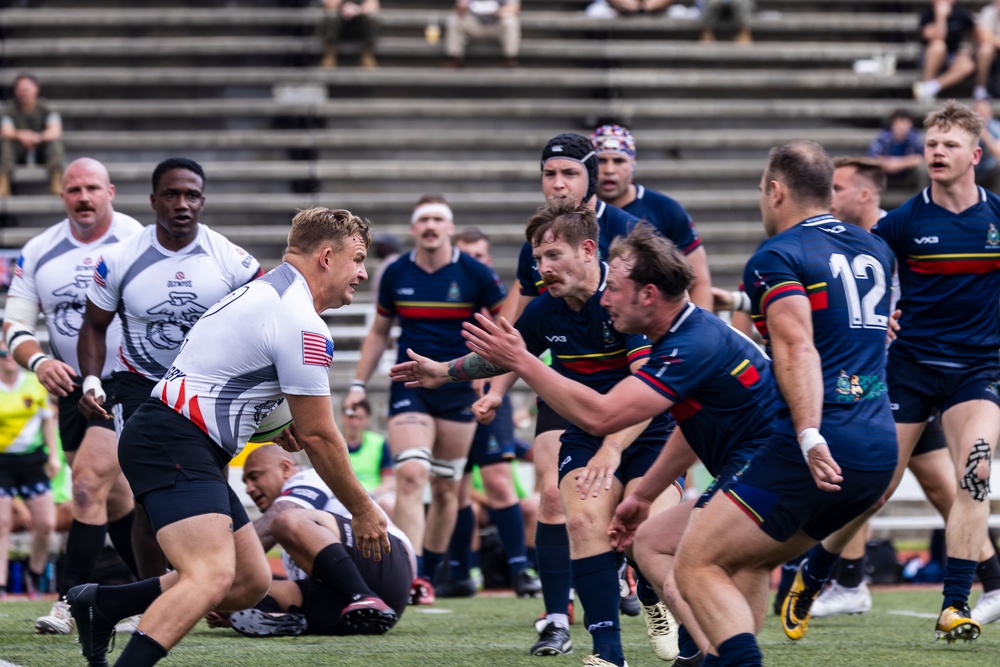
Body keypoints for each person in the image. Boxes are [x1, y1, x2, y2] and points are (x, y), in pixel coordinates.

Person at [65, 206, 391, 667]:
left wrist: (276, 428)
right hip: (174, 439)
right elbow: (319, 436)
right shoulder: (299, 320)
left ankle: (104, 603)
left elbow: (223, 382)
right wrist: (363, 509)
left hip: (174, 436)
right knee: (210, 576)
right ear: (325, 256)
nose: (361, 272)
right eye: (357, 258)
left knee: (247, 581)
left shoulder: (258, 292)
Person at [392, 202, 680, 667]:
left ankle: (652, 595)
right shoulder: (547, 310)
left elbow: (646, 394)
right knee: (583, 523)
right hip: (586, 430)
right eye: (537, 259)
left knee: (651, 540)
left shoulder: (627, 299)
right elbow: (504, 357)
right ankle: (608, 653)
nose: (541, 269)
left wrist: (612, 449)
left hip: (649, 430)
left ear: (588, 250)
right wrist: (442, 371)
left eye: (552, 256)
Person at [680, 140, 896, 664]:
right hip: (878, 443)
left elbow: (799, 345)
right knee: (746, 563)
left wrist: (809, 434)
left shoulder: (778, 254)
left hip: (821, 442)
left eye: (762, 190)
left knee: (694, 563)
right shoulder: (875, 248)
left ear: (776, 190)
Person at [76, 157, 264, 583]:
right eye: (172, 194)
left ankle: (216, 587)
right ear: (153, 200)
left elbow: (266, 326)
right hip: (139, 385)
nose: (182, 203)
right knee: (148, 498)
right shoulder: (119, 259)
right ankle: (151, 597)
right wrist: (91, 381)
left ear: (203, 201)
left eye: (192, 195)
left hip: (207, 389)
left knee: (213, 489)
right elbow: (93, 326)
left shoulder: (234, 262)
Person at [499, 132, 638, 653]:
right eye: (549, 174)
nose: (558, 184)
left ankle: (630, 573)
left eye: (569, 174)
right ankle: (557, 616)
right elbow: (524, 327)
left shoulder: (630, 233)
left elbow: (672, 304)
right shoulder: (539, 246)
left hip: (634, 398)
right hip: (567, 393)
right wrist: (490, 387)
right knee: (555, 498)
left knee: (635, 511)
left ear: (592, 176)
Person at [869, 101, 1000, 641]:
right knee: (874, 487)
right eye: (931, 144)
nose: (937, 152)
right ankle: (822, 572)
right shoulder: (900, 222)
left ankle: (954, 605)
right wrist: (881, 321)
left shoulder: (996, 217)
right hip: (912, 371)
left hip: (979, 372)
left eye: (949, 144)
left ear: (975, 154)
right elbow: (864, 285)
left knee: (976, 475)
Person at [2, 157, 144, 634]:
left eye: (92, 188)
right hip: (67, 387)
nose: (83, 197)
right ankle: (155, 590)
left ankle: (72, 602)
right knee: (117, 498)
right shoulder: (40, 250)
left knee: (85, 486)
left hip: (126, 382)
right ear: (62, 196)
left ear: (111, 191)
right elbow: (15, 323)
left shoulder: (137, 240)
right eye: (73, 190)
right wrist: (39, 362)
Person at [344, 194, 507, 606]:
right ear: (414, 228)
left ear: (450, 227)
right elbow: (380, 332)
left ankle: (429, 575)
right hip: (410, 385)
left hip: (457, 388)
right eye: (424, 220)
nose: (431, 226)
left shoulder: (475, 273)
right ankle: (410, 571)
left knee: (448, 486)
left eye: (439, 219)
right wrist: (359, 384)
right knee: (412, 475)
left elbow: (507, 328)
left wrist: (490, 382)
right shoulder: (396, 272)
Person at [213, 445, 411, 637]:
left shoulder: (312, 476)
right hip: (348, 615)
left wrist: (216, 566)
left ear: (285, 468)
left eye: (255, 477)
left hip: (384, 561)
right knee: (248, 590)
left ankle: (364, 596)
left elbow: (277, 519)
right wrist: (236, 604)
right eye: (246, 482)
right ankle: (274, 616)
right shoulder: (299, 545)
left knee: (286, 519)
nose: (249, 488)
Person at [437, 227, 540, 599]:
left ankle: (519, 570)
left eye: (480, 256)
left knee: (499, 481)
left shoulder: (501, 304)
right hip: (451, 397)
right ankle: (461, 571)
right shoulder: (449, 296)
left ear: (489, 261)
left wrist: (495, 388)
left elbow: (518, 344)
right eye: (468, 256)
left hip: (491, 392)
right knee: (455, 488)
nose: (474, 263)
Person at [590, 124, 713, 311]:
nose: (609, 170)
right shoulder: (579, 213)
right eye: (601, 161)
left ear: (633, 165)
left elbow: (699, 282)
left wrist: (701, 335)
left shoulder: (666, 209)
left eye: (618, 160)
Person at [0, 341, 60, 600]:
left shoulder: (34, 383)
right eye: (3, 355)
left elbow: (47, 422)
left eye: (11, 353)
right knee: (1, 524)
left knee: (46, 523)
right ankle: (1, 585)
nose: (8, 359)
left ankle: (34, 575)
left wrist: (54, 455)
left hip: (33, 461)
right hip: (2, 462)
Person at [0, 73, 64, 197]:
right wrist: (21, 135)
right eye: (21, 89)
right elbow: (6, 131)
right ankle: (3, 182)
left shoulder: (47, 108)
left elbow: (55, 131)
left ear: (36, 88)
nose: (24, 92)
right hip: (19, 151)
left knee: (54, 144)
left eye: (27, 88)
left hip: (41, 149)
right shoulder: (10, 110)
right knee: (6, 143)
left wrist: (37, 137)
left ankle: (57, 181)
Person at [341, 398, 396, 516]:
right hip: (342, 495)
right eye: (351, 417)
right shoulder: (333, 443)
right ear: (343, 418)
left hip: (374, 494)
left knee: (389, 504)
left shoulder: (378, 443)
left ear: (367, 420)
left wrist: (371, 494)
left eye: (359, 418)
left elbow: (389, 481)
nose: (354, 423)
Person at [913, 0, 977, 101]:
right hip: (930, 57)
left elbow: (976, 35)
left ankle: (930, 88)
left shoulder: (961, 13)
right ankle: (927, 82)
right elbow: (939, 36)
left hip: (952, 56)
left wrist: (968, 51)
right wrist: (941, 17)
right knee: (939, 46)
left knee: (968, 65)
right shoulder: (927, 15)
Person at [445, 0, 521, 69]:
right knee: (454, 19)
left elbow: (515, 8)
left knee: (511, 21)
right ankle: (455, 58)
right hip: (474, 23)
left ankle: (510, 58)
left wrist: (496, 11)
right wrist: (462, 7)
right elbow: (458, 10)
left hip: (497, 23)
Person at [867, 108, 925, 192]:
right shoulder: (884, 136)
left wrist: (898, 163)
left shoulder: (914, 137)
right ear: (892, 123)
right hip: (885, 173)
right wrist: (888, 163)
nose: (902, 126)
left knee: (923, 170)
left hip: (907, 174)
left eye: (906, 122)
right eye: (900, 122)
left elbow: (922, 157)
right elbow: (872, 156)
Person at [319, 0, 380, 69]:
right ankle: (329, 54)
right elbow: (329, 5)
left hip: (359, 18)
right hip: (340, 18)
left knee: (372, 18)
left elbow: (372, 5)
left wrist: (359, 9)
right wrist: (343, 6)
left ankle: (368, 55)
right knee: (331, 17)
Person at [974, 0, 1000, 100]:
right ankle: (980, 89)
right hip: (993, 54)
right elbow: (984, 37)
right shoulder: (988, 12)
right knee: (986, 49)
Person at [974, 97, 1000, 192]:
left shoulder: (995, 127)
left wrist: (985, 135)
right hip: (970, 170)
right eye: (978, 112)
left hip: (989, 172)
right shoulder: (966, 128)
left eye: (984, 112)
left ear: (990, 114)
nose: (981, 116)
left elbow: (998, 153)